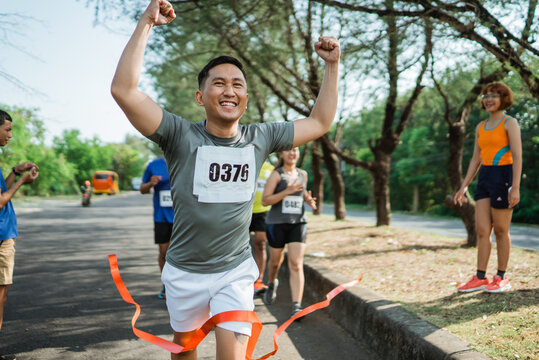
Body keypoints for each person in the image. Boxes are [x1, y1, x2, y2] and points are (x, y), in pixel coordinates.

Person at [110, 1, 339, 358]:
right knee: (183, 352)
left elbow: (320, 122)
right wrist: (146, 23)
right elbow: (124, 91)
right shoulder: (178, 134)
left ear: (245, 100)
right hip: (184, 272)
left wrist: (332, 66)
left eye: (237, 84)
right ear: (201, 97)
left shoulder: (260, 138)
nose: (229, 90)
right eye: (218, 83)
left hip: (234, 271)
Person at [454, 82, 522, 293]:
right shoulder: (480, 127)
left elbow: (518, 156)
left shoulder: (509, 123)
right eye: (485, 95)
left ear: (503, 99)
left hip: (504, 176)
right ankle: (480, 276)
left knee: (501, 230)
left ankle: (501, 276)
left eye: (494, 95)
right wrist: (463, 186)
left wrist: (516, 187)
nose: (488, 99)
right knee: (482, 230)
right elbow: (476, 159)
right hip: (485, 178)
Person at [0, 109, 39, 360]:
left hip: (5, 235)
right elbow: (1, 200)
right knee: (0, 297)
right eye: (7, 130)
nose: (10, 135)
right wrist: (21, 183)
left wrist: (14, 171)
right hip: (2, 239)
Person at [261, 148, 316, 319]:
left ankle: (296, 306)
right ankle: (271, 283)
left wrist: (307, 199)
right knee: (275, 263)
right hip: (276, 223)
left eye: (295, 150)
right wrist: (286, 191)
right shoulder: (277, 175)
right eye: (288, 151)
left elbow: (302, 192)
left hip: (297, 223)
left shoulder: (302, 174)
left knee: (295, 263)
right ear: (281, 155)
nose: (292, 153)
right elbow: (265, 200)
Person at [140, 157, 174, 299]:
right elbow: (142, 189)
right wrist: (150, 184)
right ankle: (166, 285)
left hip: (185, 216)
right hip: (162, 216)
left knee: (188, 253)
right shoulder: (154, 165)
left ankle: (185, 286)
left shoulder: (189, 159)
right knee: (164, 253)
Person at [250, 161, 274, 296]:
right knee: (239, 246)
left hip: (263, 211)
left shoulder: (271, 169)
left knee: (260, 244)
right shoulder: (247, 162)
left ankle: (258, 280)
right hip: (245, 210)